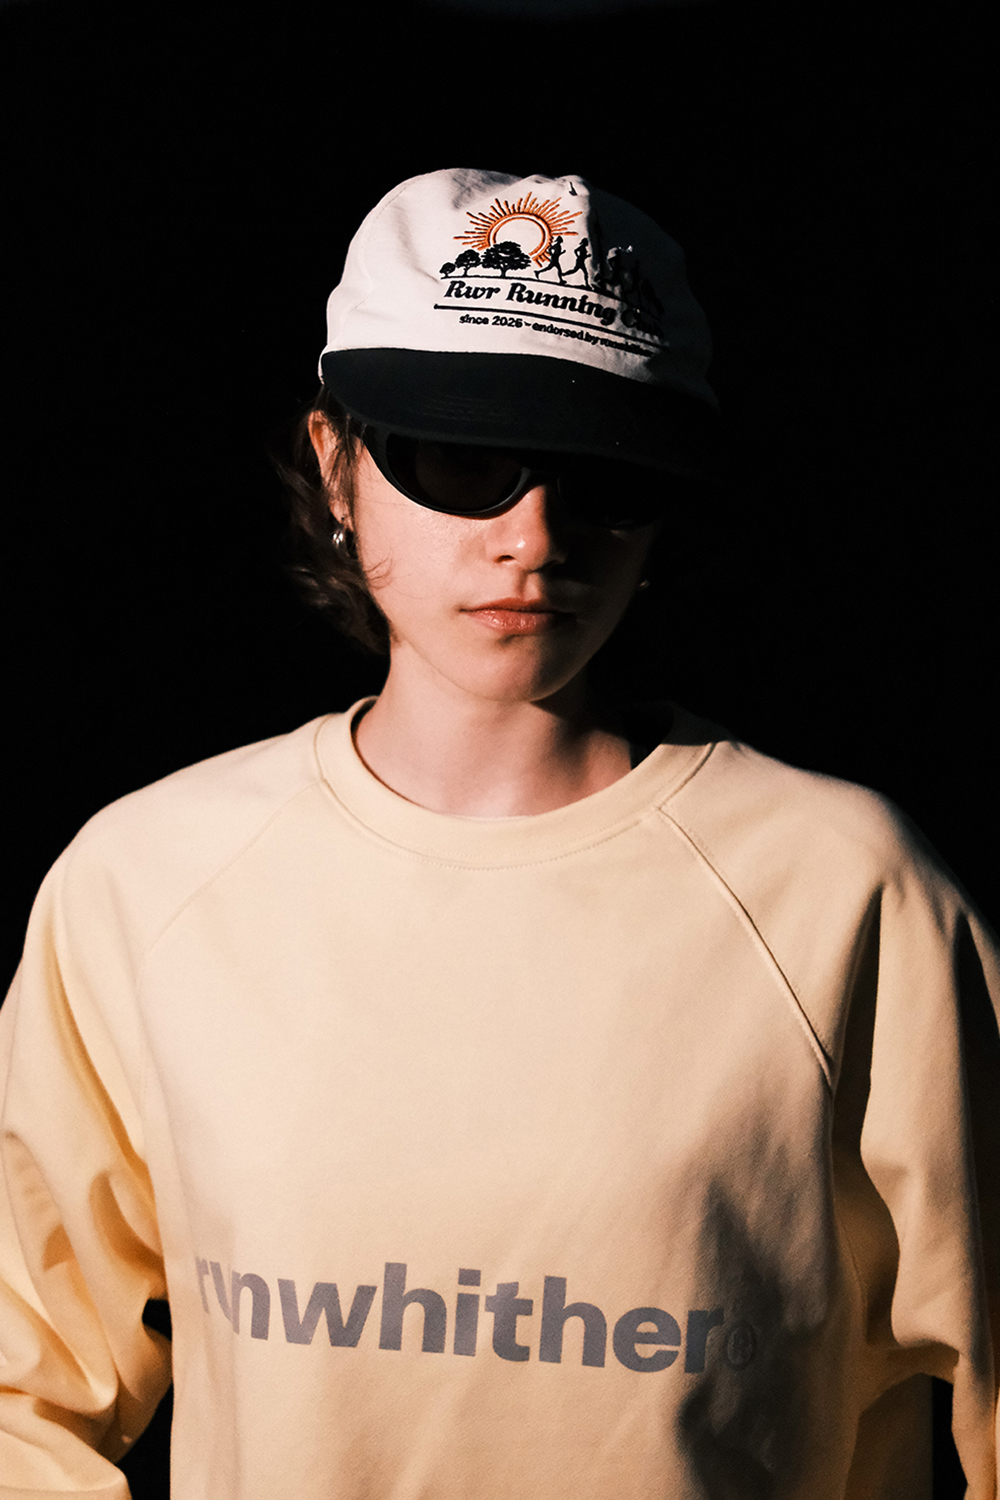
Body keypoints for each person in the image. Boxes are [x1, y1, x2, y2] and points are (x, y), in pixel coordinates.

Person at [0, 167, 996, 1500]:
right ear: (336, 462)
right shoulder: (144, 884)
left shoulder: (849, 897)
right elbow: (24, 1392)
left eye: (605, 475)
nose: (533, 536)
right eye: (464, 457)